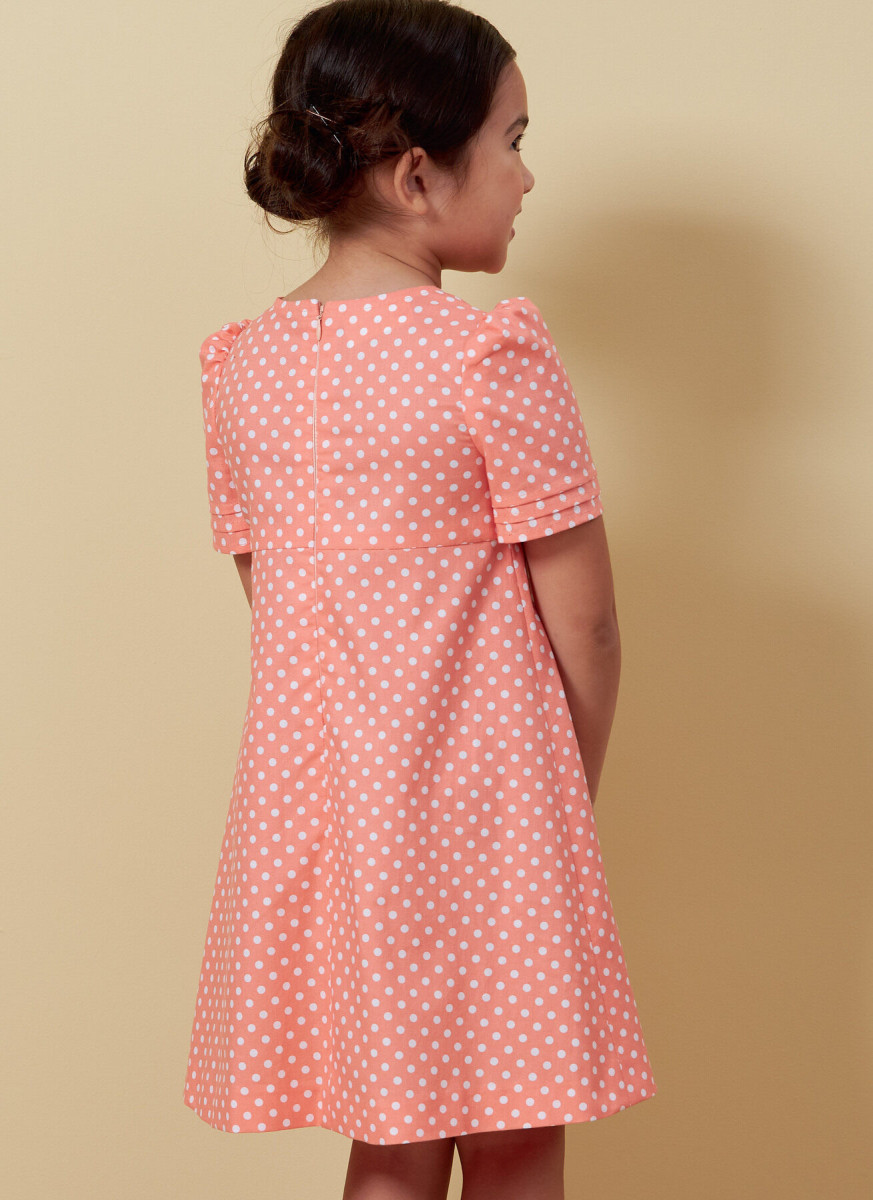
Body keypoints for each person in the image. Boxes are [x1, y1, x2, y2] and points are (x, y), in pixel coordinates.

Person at [184, 2, 658, 1197]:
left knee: (392, 1133)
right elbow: (589, 626)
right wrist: (566, 803)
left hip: (333, 819)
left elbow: (276, 608)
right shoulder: (488, 357)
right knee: (516, 1127)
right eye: (512, 141)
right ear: (413, 175)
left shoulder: (239, 369)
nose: (528, 175)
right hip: (493, 807)